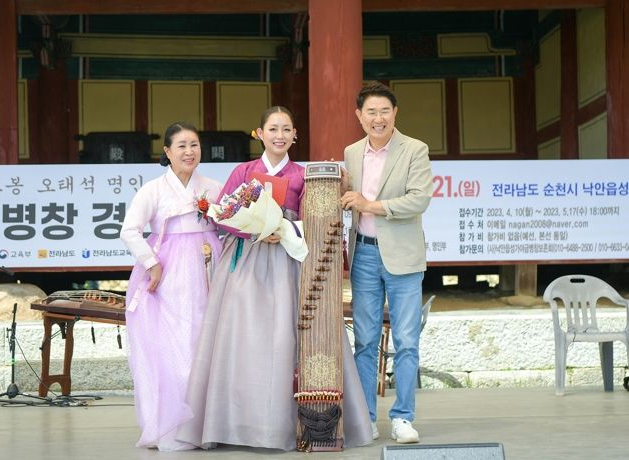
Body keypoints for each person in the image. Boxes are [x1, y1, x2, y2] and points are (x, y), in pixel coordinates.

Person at [177, 106, 372, 451]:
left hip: (288, 262)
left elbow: (316, 219)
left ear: (295, 135)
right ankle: (236, 424)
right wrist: (254, 230)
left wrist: (285, 226)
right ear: (260, 134)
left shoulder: (304, 175)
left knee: (287, 338)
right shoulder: (244, 171)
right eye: (273, 129)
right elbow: (222, 216)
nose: (279, 135)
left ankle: (289, 425)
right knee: (242, 338)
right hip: (246, 262)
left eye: (286, 129)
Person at [120, 122, 223, 451]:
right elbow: (129, 230)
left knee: (206, 341)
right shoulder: (153, 190)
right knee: (175, 343)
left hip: (208, 264)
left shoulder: (213, 187)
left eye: (194, 145)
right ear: (167, 151)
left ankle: (206, 426)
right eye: (181, 146)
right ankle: (172, 425)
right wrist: (151, 263)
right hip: (168, 273)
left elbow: (232, 223)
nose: (189, 152)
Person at [340, 82, 433, 443]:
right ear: (359, 116)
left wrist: (370, 205)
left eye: (384, 111)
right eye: (371, 112)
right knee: (364, 341)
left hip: (404, 257)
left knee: (407, 340)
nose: (377, 118)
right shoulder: (351, 153)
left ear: (395, 113)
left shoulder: (415, 149)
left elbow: (418, 200)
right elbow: (348, 199)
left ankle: (402, 418)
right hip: (363, 254)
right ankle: (366, 418)